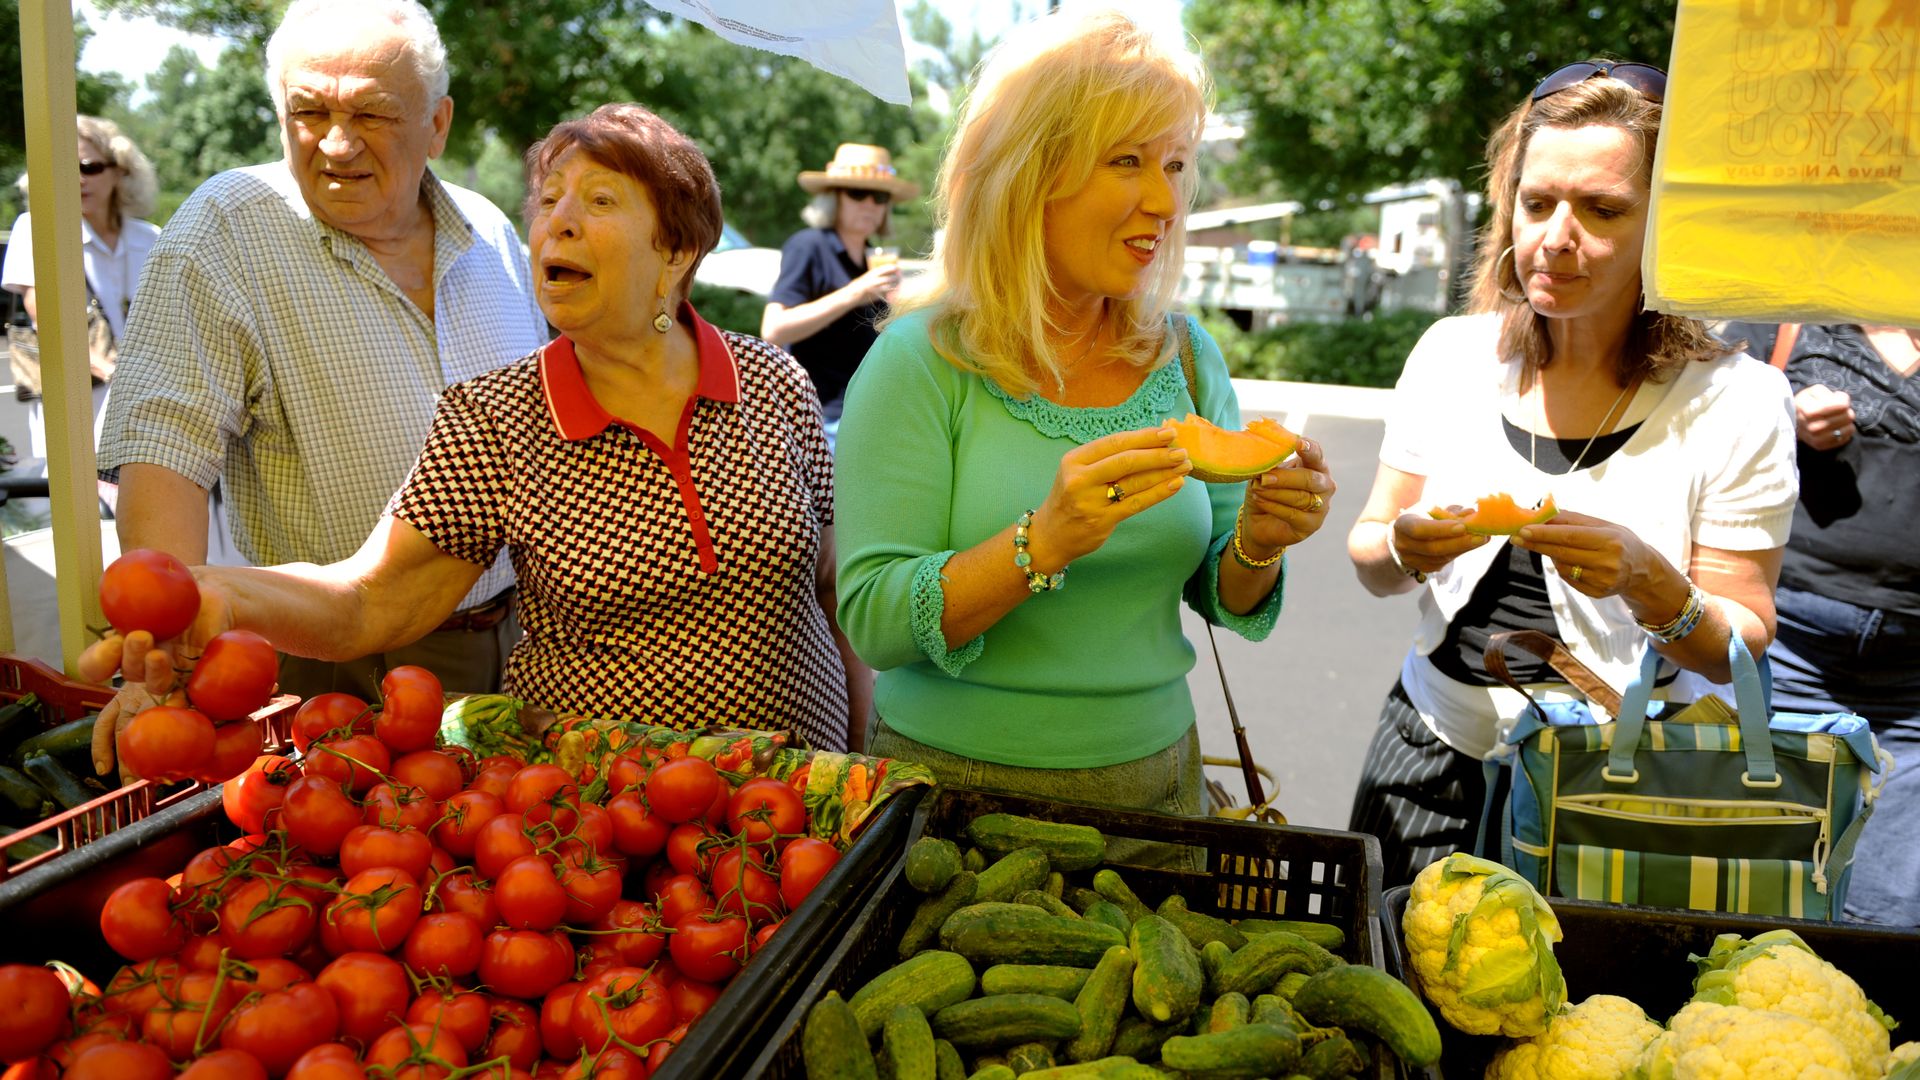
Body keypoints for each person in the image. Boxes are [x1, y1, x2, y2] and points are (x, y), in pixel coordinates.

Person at [83, 103, 869, 764]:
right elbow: (371, 601)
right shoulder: (496, 417)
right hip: (611, 816)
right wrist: (224, 590)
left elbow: (836, 590)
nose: (555, 224)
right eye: (548, 200)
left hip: (799, 790)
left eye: (598, 203)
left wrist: (860, 753)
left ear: (675, 251)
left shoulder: (773, 384)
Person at [833, 10, 1335, 830]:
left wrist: (1260, 542)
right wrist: (1043, 542)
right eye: (1128, 160)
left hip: (1159, 791)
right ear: (1030, 171)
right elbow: (877, 620)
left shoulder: (1187, 355)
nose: (1166, 200)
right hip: (947, 799)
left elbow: (1223, 590)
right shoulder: (920, 359)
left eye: (1176, 164)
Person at [1344, 60, 1800, 887]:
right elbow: (1372, 555)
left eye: (1603, 210)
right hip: (1427, 748)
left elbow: (1741, 639)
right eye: (1537, 201)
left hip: (1615, 781)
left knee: (1579, 1011)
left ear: (1665, 228)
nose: (1556, 236)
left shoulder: (1740, 400)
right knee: (1380, 992)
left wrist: (1651, 583)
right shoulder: (1453, 356)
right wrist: (1405, 546)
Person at [95, 0, 545, 702]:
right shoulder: (226, 231)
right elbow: (164, 455)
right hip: (340, 663)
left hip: (523, 636)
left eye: (371, 114)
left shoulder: (489, 232)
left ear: (437, 124)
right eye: (309, 113)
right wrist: (166, 648)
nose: (336, 143)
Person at [1756, 322, 1920, 925]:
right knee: (1769, 883)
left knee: (1895, 911)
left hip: (1913, 687)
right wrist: (1783, 415)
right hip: (1791, 648)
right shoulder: (1793, 304)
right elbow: (1699, 420)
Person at [2, 115, 160, 457]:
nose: (77, 179)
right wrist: (109, 370)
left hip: (148, 404)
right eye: (64, 168)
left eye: (89, 167)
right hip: (75, 406)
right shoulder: (36, 230)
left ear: (120, 171)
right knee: (76, 504)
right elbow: (47, 319)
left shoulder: (149, 238)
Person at [760, 143, 918, 430]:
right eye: (857, 193)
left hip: (866, 412)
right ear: (834, 198)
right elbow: (774, 329)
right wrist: (855, 293)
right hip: (820, 416)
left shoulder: (872, 257)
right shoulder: (809, 245)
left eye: (880, 196)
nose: (870, 204)